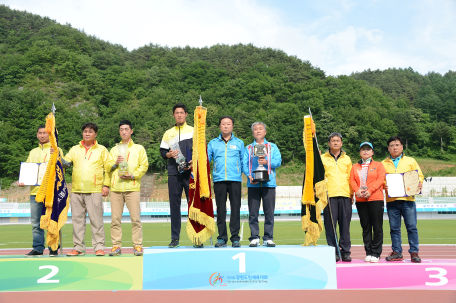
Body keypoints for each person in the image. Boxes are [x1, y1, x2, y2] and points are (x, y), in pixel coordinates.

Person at [62, 122, 114, 256]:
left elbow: (108, 168)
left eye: (90, 132)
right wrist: (58, 157)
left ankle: (99, 247)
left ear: (95, 134)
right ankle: (78, 247)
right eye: (85, 131)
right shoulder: (75, 149)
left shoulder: (102, 149)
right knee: (77, 221)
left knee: (96, 220)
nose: (87, 133)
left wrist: (106, 185)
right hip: (77, 190)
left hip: (95, 190)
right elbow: (66, 163)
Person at [18, 125, 63, 257]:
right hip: (35, 192)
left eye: (45, 133)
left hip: (52, 192)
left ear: (49, 135)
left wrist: (56, 155)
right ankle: (37, 248)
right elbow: (27, 169)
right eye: (40, 133)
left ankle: (53, 247)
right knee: (36, 222)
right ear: (37, 135)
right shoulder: (33, 152)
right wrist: (22, 180)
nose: (42, 135)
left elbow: (61, 168)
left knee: (52, 221)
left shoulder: (56, 149)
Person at [107, 120, 149, 257]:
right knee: (115, 220)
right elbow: (107, 168)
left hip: (132, 187)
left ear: (131, 131)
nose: (123, 131)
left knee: (136, 219)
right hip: (116, 188)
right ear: (119, 131)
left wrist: (133, 176)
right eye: (121, 129)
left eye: (126, 129)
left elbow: (144, 166)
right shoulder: (114, 150)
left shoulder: (139, 148)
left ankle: (137, 246)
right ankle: (116, 246)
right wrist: (115, 163)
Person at [382, 135, 424, 263]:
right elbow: (380, 179)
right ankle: (397, 252)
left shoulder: (411, 161)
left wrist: (419, 182)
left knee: (411, 227)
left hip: (408, 200)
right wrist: (384, 185)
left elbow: (419, 175)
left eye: (397, 145)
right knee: (394, 228)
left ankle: (414, 252)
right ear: (388, 148)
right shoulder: (383, 163)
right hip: (392, 200)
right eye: (392, 145)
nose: (394, 147)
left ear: (402, 146)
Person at [242, 122, 282, 247]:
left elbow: (278, 162)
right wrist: (249, 175)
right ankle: (254, 237)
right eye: (255, 129)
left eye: (260, 129)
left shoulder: (272, 147)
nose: (258, 131)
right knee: (253, 212)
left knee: (269, 212)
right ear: (252, 133)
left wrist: (266, 161)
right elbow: (244, 163)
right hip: (253, 183)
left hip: (269, 184)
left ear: (265, 132)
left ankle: (268, 237)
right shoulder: (248, 148)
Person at [159, 103, 193, 248]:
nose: (179, 115)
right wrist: (169, 154)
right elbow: (162, 152)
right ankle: (175, 238)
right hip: (174, 173)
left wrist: (194, 160)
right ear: (173, 115)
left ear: (186, 114)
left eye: (181, 112)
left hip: (190, 173)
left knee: (194, 206)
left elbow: (200, 149)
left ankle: (197, 238)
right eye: (176, 113)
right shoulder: (168, 133)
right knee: (174, 206)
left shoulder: (194, 130)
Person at [207, 116, 244, 248]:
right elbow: (206, 160)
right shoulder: (212, 143)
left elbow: (243, 161)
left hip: (235, 180)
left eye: (229, 124)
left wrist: (249, 175)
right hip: (219, 180)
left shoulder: (239, 143)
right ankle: (222, 237)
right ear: (220, 126)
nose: (226, 126)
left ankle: (235, 238)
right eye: (223, 124)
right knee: (220, 210)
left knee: (235, 209)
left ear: (232, 126)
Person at [350, 142, 386, 263]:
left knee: (377, 227)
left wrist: (370, 190)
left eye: (368, 149)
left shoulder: (379, 165)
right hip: (361, 199)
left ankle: (376, 253)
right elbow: (352, 180)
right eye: (363, 149)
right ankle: (368, 252)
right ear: (360, 152)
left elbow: (381, 179)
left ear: (372, 152)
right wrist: (357, 191)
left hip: (375, 198)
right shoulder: (355, 166)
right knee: (365, 227)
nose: (366, 151)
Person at [321, 132, 353, 262]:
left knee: (345, 225)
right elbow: (320, 176)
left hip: (345, 195)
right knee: (331, 225)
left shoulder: (347, 159)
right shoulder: (322, 158)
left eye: (338, 141)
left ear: (341, 143)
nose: (335, 143)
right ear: (329, 143)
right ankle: (333, 251)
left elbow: (351, 177)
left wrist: (351, 194)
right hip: (329, 196)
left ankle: (345, 252)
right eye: (333, 140)